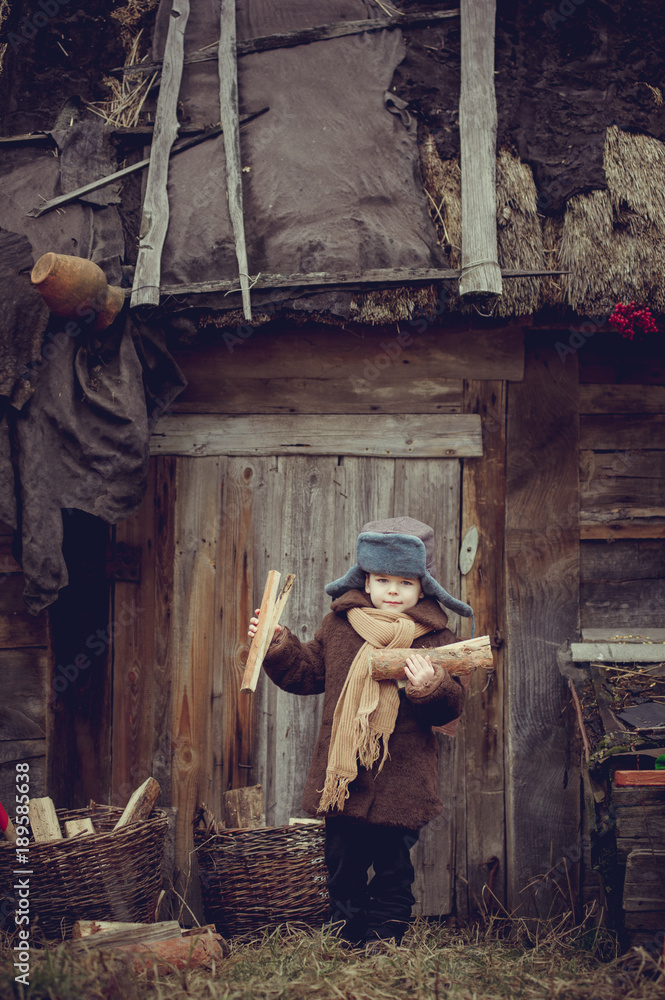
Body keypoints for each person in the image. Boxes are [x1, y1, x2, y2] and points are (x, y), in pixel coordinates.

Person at [247, 516, 474, 947]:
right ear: (365, 581)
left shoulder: (435, 639)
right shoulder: (339, 627)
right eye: (383, 579)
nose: (393, 590)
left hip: (402, 780)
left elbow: (451, 704)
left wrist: (430, 686)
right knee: (342, 864)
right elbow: (308, 673)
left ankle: (384, 940)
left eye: (405, 582)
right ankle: (346, 938)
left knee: (393, 867)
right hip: (345, 779)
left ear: (422, 587)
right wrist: (278, 645)